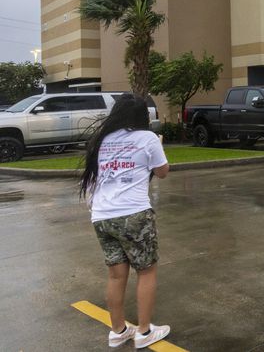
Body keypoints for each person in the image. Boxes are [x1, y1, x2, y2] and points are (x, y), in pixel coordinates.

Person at [79, 94, 171, 349]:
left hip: (102, 216)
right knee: (146, 271)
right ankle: (143, 332)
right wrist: (157, 148)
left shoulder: (102, 140)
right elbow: (163, 172)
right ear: (143, 116)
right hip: (133, 214)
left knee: (116, 276)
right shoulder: (148, 138)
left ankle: (118, 330)